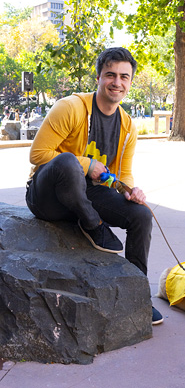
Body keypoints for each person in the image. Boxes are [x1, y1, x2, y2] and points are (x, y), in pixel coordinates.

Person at [25, 47, 163, 325]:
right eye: (110, 74)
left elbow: (124, 173)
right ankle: (93, 225)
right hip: (48, 196)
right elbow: (38, 155)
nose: (117, 82)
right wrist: (85, 164)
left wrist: (131, 191)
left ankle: (137, 294)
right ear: (98, 77)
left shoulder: (127, 125)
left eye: (124, 76)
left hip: (88, 194)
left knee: (141, 215)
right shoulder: (71, 107)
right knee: (67, 162)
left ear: (130, 82)